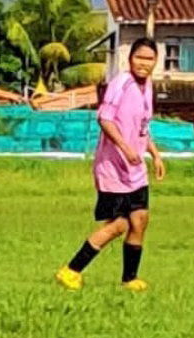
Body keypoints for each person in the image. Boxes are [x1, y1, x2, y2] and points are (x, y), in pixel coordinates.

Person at [56, 38, 165, 291]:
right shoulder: (121, 84)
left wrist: (156, 154)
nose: (144, 63)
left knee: (140, 220)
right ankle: (70, 270)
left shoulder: (147, 87)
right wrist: (125, 149)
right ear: (130, 59)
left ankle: (130, 279)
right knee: (119, 225)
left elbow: (142, 127)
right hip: (113, 168)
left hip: (136, 169)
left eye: (149, 59)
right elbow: (104, 118)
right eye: (140, 58)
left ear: (155, 62)